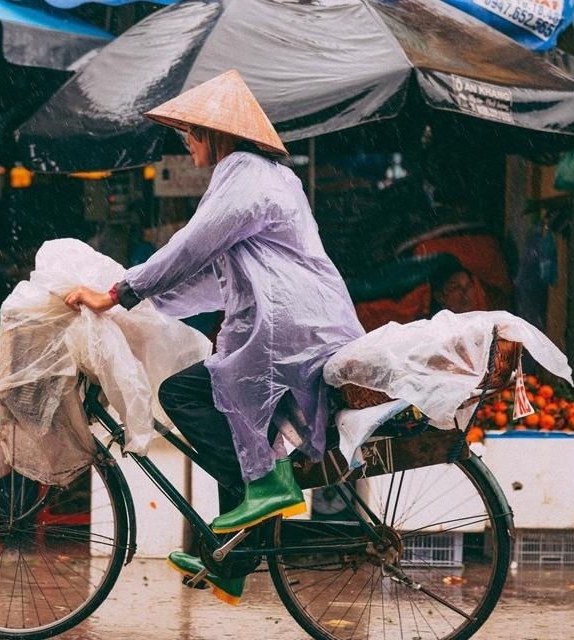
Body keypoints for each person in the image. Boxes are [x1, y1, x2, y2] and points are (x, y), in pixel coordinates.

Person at [63, 70, 365, 604]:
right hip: (305, 323)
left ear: (216, 134)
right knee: (234, 419)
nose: (186, 142)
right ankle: (231, 561)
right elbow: (213, 278)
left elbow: (193, 244)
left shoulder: (244, 174)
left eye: (190, 132)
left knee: (184, 394)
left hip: (284, 331)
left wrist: (118, 293)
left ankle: (269, 486)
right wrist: (144, 302)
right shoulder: (268, 176)